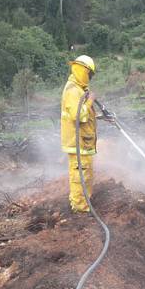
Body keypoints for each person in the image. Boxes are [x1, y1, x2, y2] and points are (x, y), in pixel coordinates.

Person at [60, 55, 97, 213]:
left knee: (85, 175)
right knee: (79, 177)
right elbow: (79, 116)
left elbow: (85, 115)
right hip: (78, 143)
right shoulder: (73, 90)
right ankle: (80, 208)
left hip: (83, 142)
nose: (90, 78)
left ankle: (84, 203)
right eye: (90, 74)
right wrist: (90, 101)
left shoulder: (78, 88)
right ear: (84, 71)